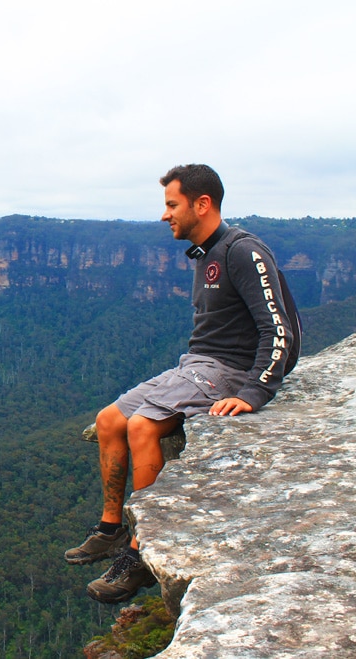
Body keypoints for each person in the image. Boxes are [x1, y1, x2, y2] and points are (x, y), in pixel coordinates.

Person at [64, 164, 297, 604]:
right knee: (110, 420)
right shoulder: (206, 252)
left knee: (142, 427)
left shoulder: (242, 251)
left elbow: (277, 327)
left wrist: (254, 392)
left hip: (229, 370)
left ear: (201, 204)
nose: (165, 215)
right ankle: (112, 526)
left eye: (172, 204)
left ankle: (141, 551)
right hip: (196, 363)